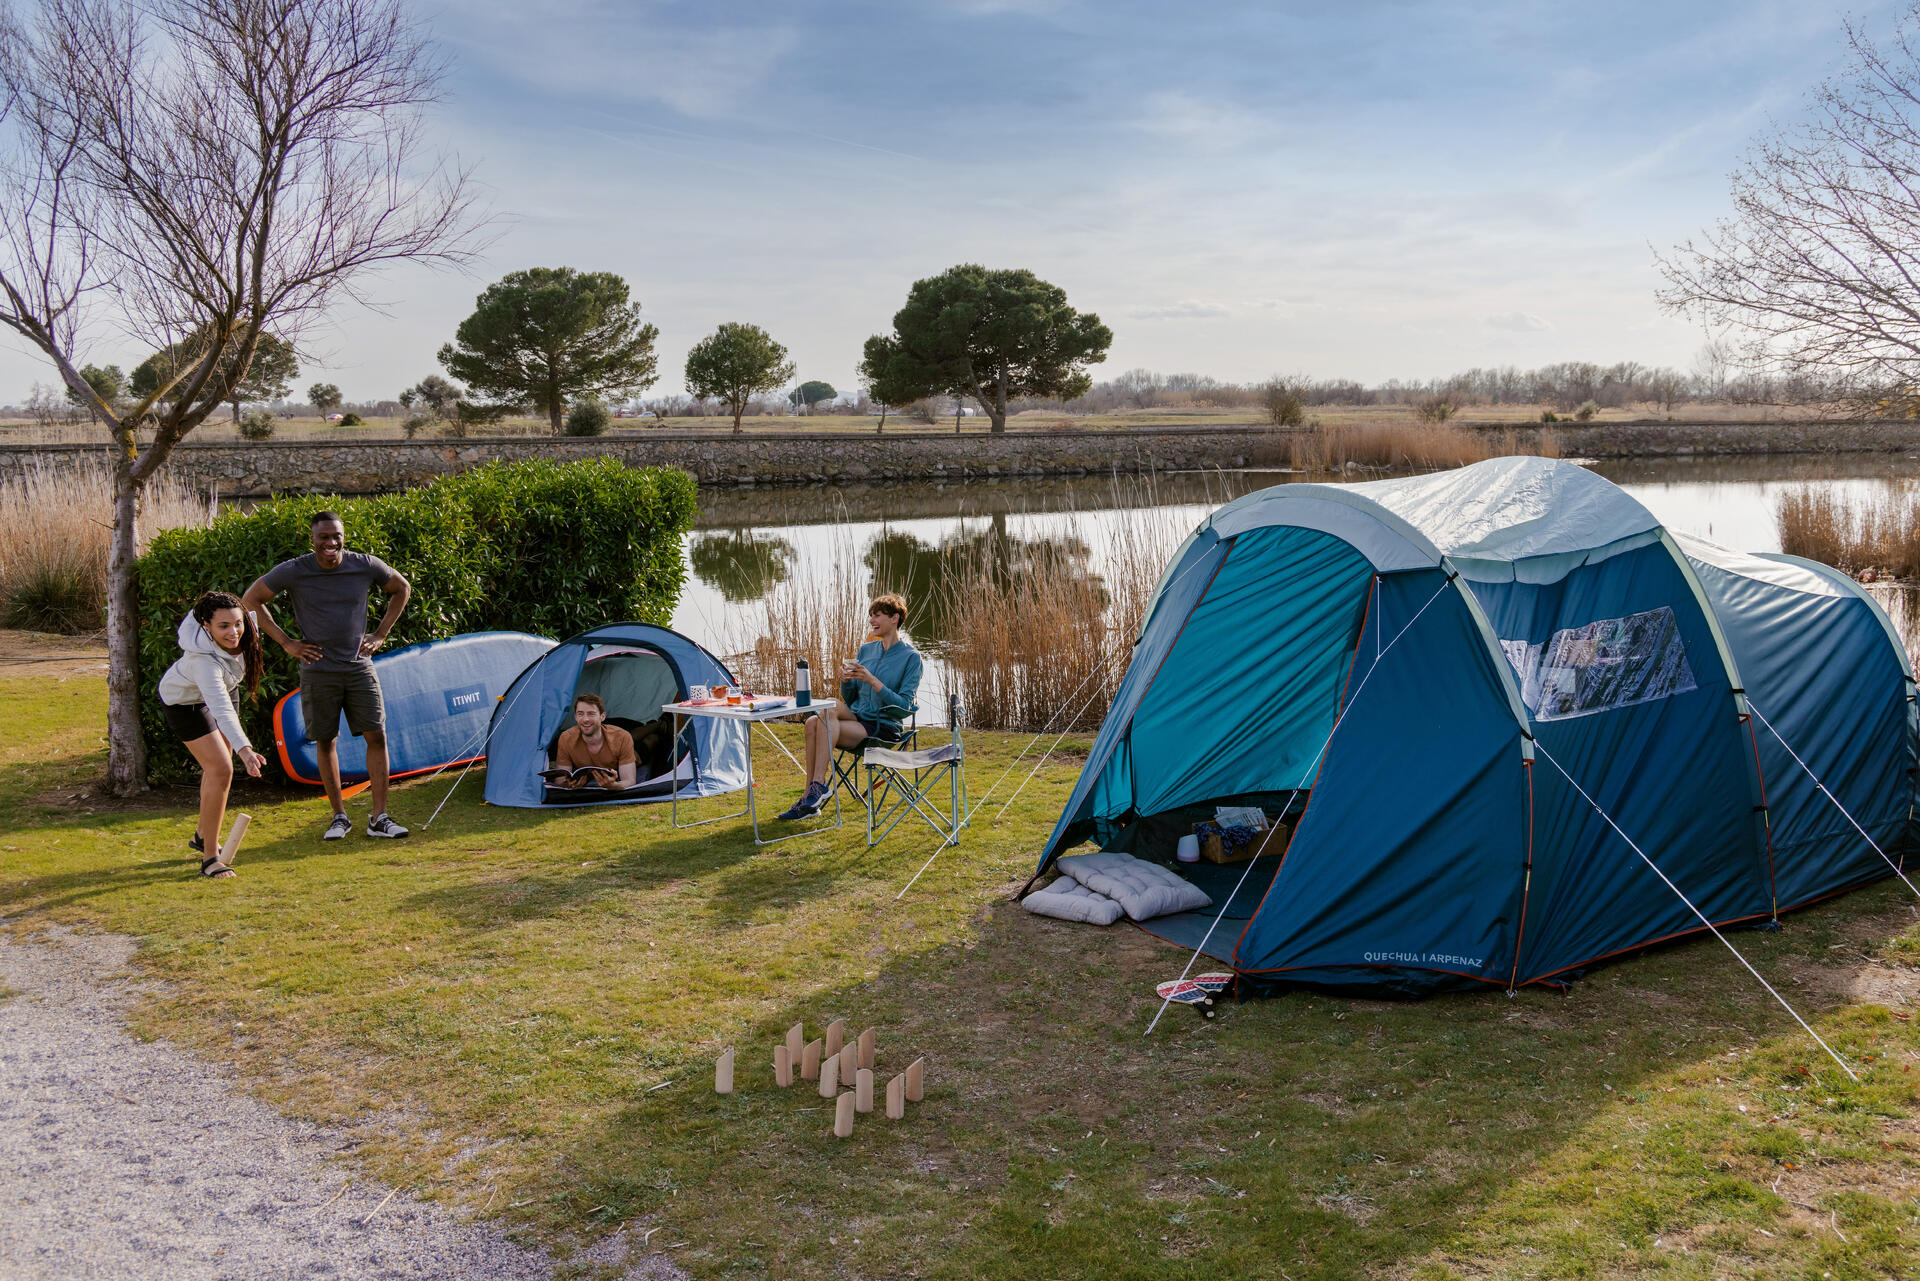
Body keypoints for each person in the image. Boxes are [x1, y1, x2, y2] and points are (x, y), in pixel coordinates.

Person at [240, 510, 412, 840]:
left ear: (343, 537)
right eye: (324, 537)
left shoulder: (365, 564)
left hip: (359, 666)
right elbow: (251, 600)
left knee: (377, 736)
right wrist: (287, 642)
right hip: (318, 671)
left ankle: (380, 819)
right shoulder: (295, 570)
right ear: (313, 540)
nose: (331, 543)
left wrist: (381, 634)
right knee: (325, 740)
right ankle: (339, 817)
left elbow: (401, 588)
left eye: (337, 536)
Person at [780, 593, 922, 820]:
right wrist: (845, 681)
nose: (871, 621)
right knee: (822, 712)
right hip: (857, 717)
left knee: (815, 723)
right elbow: (851, 697)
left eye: (877, 616)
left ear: (894, 618)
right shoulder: (866, 650)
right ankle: (813, 791)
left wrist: (872, 680)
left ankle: (813, 793)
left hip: (882, 726)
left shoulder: (911, 658)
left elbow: (904, 705)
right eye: (870, 616)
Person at [157, 591, 269, 878]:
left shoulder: (245, 633)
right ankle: (210, 859)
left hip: (225, 687)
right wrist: (246, 749)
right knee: (221, 768)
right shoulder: (202, 661)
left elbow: (224, 697)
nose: (234, 632)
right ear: (206, 625)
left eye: (238, 623)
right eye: (223, 626)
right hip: (184, 704)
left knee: (218, 767)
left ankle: (201, 834)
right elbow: (221, 709)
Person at [549, 693, 638, 791]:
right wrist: (569, 785)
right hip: (590, 777)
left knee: (649, 743)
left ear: (602, 716)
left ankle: (655, 725)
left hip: (636, 756)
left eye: (591, 714)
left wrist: (614, 786)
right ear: (575, 717)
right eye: (580, 714)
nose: (585, 719)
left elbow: (629, 780)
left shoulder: (622, 737)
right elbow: (560, 780)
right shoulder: (566, 738)